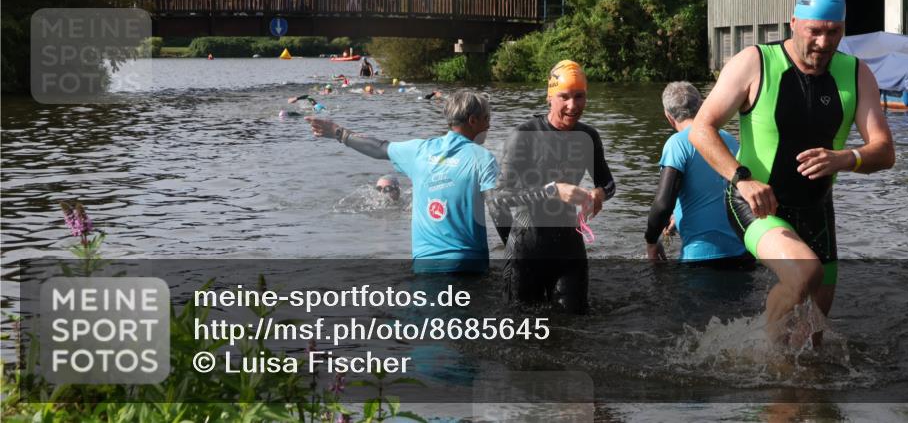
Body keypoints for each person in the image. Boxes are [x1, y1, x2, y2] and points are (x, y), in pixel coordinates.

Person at [689, 0, 895, 338]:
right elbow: (700, 128)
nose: (823, 42)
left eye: (834, 32)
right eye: (815, 30)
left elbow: (884, 151)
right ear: (794, 23)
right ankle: (761, 354)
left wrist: (846, 158)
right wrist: (741, 177)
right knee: (804, 273)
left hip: (816, 209)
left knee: (813, 331)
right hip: (755, 202)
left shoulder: (856, 73)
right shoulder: (755, 62)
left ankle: (792, 386)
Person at [307, 91, 497, 273]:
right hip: (469, 265)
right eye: (487, 119)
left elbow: (378, 148)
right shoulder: (483, 158)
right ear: (472, 120)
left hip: (425, 265)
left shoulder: (419, 151)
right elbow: (498, 208)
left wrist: (339, 133)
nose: (489, 126)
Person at [488, 60, 614, 313]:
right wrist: (552, 190)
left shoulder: (589, 136)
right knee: (522, 332)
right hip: (527, 248)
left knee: (577, 326)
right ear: (549, 97)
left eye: (580, 97)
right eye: (564, 97)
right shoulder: (524, 135)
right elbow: (497, 197)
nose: (573, 105)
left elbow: (608, 183)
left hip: (570, 248)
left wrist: (599, 194)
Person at [645, 82, 751, 268]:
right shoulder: (728, 139)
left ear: (669, 117)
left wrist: (651, 242)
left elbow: (662, 205)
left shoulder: (677, 144)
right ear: (702, 105)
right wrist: (677, 218)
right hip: (743, 253)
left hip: (701, 259)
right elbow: (718, 192)